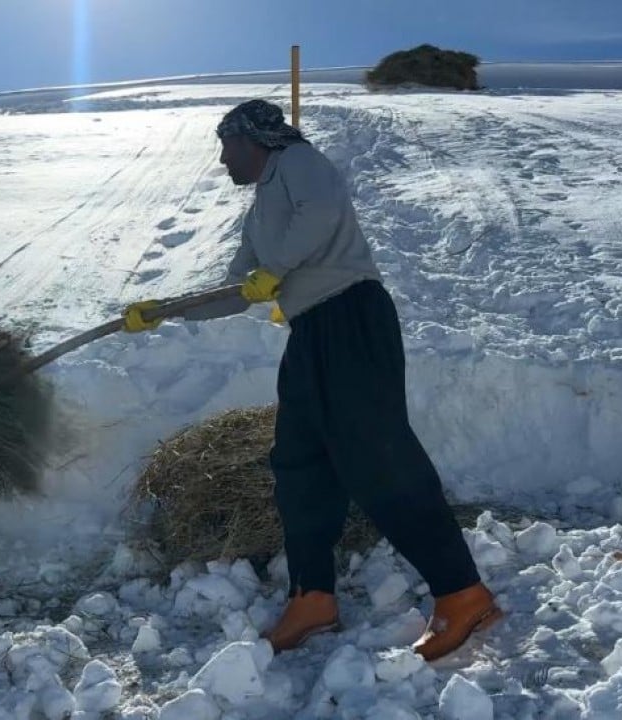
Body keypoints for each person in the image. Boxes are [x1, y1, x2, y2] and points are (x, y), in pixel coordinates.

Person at [122, 99, 501, 661]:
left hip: (351, 315)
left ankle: (462, 592)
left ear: (253, 141)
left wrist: (274, 271)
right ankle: (313, 597)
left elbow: (321, 214)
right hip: (310, 332)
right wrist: (167, 312)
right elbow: (238, 289)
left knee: (376, 454)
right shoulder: (259, 211)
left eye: (226, 146)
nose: (222, 160)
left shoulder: (298, 161)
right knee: (299, 463)